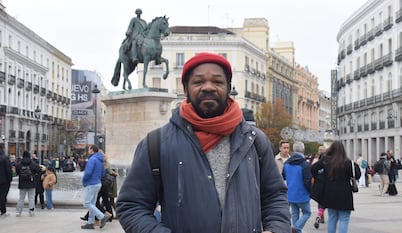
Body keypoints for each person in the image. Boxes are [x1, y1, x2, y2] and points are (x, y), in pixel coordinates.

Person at [116, 52, 292, 233]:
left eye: (217, 81)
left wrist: (276, 229)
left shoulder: (255, 140)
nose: (208, 87)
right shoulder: (157, 143)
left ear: (229, 87)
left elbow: (275, 196)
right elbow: (131, 206)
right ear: (185, 89)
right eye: (199, 82)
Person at [311, 141, 361, 233]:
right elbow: (357, 175)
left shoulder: (325, 160)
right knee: (344, 219)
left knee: (332, 218)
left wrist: (321, 178)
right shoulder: (348, 162)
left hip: (329, 193)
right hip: (345, 193)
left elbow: (313, 169)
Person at [282, 141, 312, 233]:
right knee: (307, 213)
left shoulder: (287, 163)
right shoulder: (304, 164)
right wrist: (310, 191)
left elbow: (283, 176)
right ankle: (296, 228)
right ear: (303, 150)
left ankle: (295, 229)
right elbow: (307, 181)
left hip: (290, 193)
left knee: (295, 214)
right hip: (302, 193)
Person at [81, 145, 109, 230]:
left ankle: (102, 216)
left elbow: (88, 172)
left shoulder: (92, 159)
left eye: (89, 149)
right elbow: (103, 173)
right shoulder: (100, 160)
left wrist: (84, 181)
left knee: (86, 203)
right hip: (98, 183)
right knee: (92, 204)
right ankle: (90, 223)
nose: (88, 150)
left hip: (91, 184)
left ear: (92, 150)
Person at [15, 151, 40, 217]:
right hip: (31, 183)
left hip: (22, 183)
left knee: (21, 198)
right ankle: (31, 212)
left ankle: (18, 212)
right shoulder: (33, 164)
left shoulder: (19, 164)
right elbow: (38, 171)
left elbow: (17, 172)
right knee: (31, 198)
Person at [312, 145, 326, 229]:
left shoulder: (316, 161)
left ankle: (320, 216)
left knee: (320, 202)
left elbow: (312, 170)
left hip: (319, 183)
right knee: (328, 201)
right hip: (328, 183)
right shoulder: (329, 160)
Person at [0, 145, 12, 217]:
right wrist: (9, 179)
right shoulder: (5, 158)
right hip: (4, 181)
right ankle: (3, 211)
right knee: (3, 196)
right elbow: (8, 171)